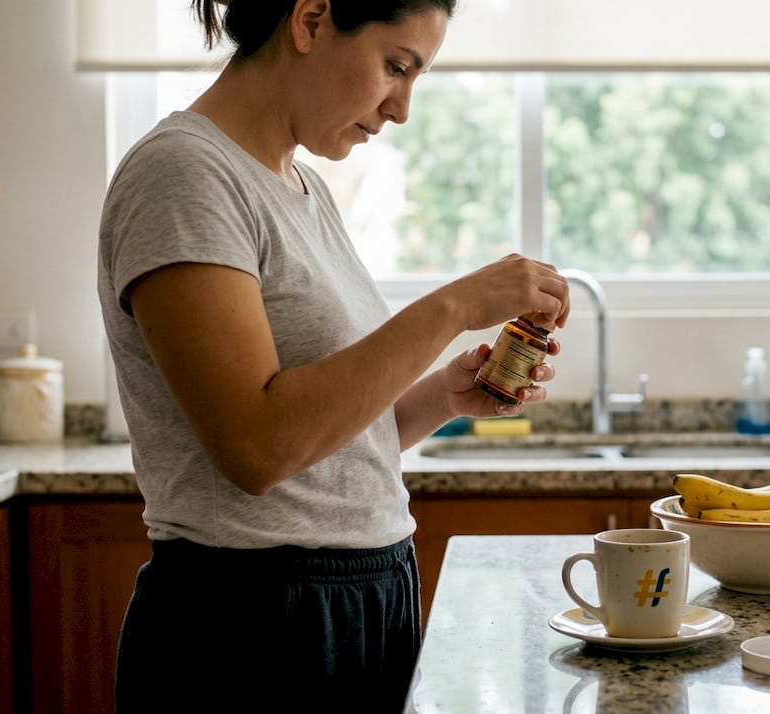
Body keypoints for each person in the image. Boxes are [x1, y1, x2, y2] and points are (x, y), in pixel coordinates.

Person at [96, 0, 570, 710]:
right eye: (396, 66)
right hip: (250, 625)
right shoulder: (183, 176)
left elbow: (326, 438)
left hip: (359, 599)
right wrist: (448, 309)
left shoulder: (302, 187)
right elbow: (258, 447)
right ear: (311, 21)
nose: (402, 108)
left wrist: (444, 396)